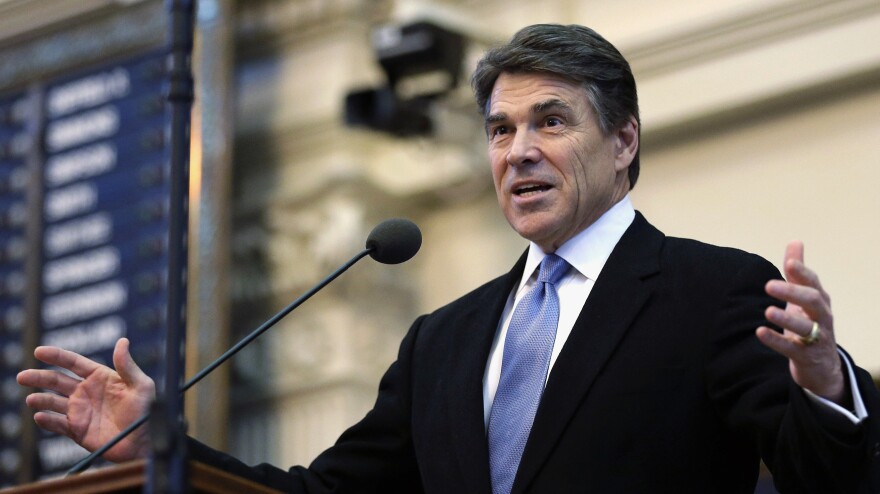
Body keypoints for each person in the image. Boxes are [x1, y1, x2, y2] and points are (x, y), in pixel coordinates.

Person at [17, 24, 880, 493]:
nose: (519, 152)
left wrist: (823, 382)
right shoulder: (444, 343)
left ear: (623, 142)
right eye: (501, 130)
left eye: (551, 121)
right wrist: (171, 450)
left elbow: (830, 479)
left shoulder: (712, 290)